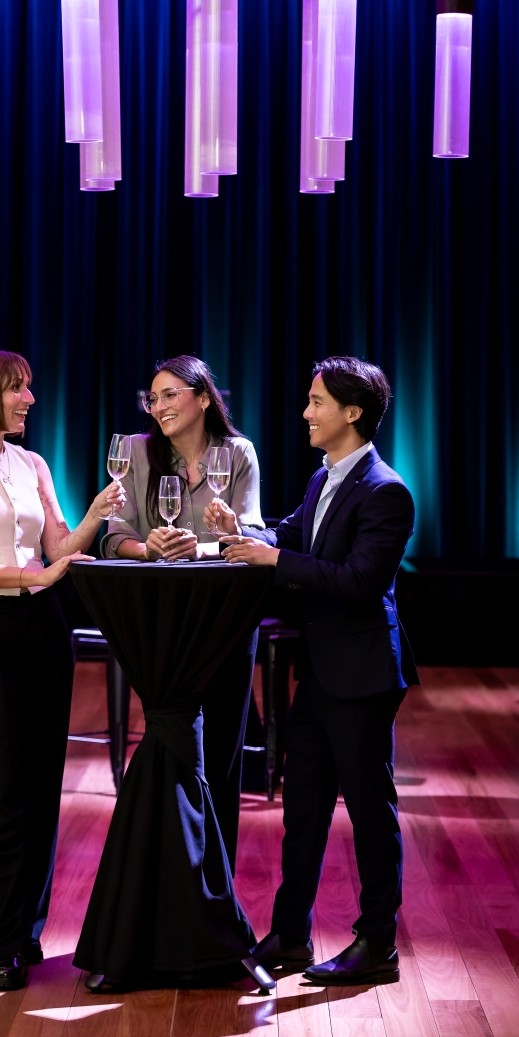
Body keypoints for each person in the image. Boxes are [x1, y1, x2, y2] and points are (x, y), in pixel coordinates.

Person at [0, 348, 122, 992]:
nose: (30, 399)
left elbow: (58, 543)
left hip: (40, 626)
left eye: (29, 388)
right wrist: (33, 578)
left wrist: (94, 515)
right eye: (18, 388)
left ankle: (24, 929)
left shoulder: (32, 462)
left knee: (38, 781)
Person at [213, 356, 417, 987]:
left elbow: (359, 582)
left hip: (362, 675)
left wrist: (274, 559)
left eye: (316, 402)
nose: (306, 412)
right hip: (321, 674)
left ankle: (378, 944)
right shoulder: (322, 478)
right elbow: (292, 535)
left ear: (352, 413)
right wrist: (242, 532)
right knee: (301, 808)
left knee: (368, 810)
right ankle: (292, 936)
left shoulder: (387, 491)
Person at [104, 354, 264, 871]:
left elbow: (255, 536)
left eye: (171, 394)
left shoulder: (237, 453)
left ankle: (216, 887)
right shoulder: (135, 451)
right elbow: (114, 539)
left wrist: (228, 533)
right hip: (162, 620)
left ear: (202, 398)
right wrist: (147, 547)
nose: (159, 405)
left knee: (221, 755)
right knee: (170, 748)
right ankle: (163, 879)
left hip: (224, 616)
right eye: (153, 397)